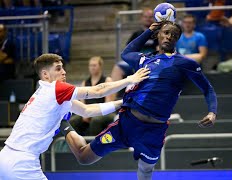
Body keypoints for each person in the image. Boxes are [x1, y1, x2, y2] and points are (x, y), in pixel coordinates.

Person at [59, 21, 217, 180]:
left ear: (178, 40)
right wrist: (149, 31)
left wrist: (212, 112)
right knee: (84, 158)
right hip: (127, 124)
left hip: (154, 132)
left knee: (146, 171)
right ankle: (61, 122)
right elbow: (126, 53)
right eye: (166, 33)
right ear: (158, 35)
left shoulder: (186, 63)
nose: (169, 37)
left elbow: (207, 88)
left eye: (174, 35)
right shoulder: (143, 59)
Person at [0, 53, 150, 180]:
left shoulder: (46, 93)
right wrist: (130, 79)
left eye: (63, 67)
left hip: (7, 157)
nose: (64, 72)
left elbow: (87, 110)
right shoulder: (55, 89)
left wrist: (121, 103)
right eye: (58, 69)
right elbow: (98, 91)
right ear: (45, 74)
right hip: (22, 162)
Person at [109, 7, 158, 101]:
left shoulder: (158, 34)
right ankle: (111, 101)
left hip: (152, 62)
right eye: (145, 17)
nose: (148, 19)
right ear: (141, 18)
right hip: (136, 61)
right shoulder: (136, 34)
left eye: (150, 17)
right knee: (118, 67)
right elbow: (128, 51)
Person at [69, 56, 115, 136]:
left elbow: (108, 103)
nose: (92, 68)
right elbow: (82, 103)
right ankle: (75, 145)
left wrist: (92, 113)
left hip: (104, 111)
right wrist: (85, 114)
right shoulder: (85, 83)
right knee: (73, 120)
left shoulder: (107, 80)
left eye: (94, 65)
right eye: (90, 65)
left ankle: (93, 145)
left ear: (100, 66)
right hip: (89, 111)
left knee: (95, 120)